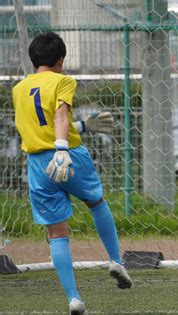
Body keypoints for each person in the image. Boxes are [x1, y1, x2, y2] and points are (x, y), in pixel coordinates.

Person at [12, 32, 132, 315]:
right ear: (61, 61)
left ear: (33, 60)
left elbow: (40, 125)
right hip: (68, 156)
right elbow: (59, 116)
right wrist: (63, 148)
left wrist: (84, 126)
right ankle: (116, 260)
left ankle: (74, 298)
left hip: (38, 164)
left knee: (56, 232)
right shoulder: (64, 80)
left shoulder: (18, 89)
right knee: (96, 202)